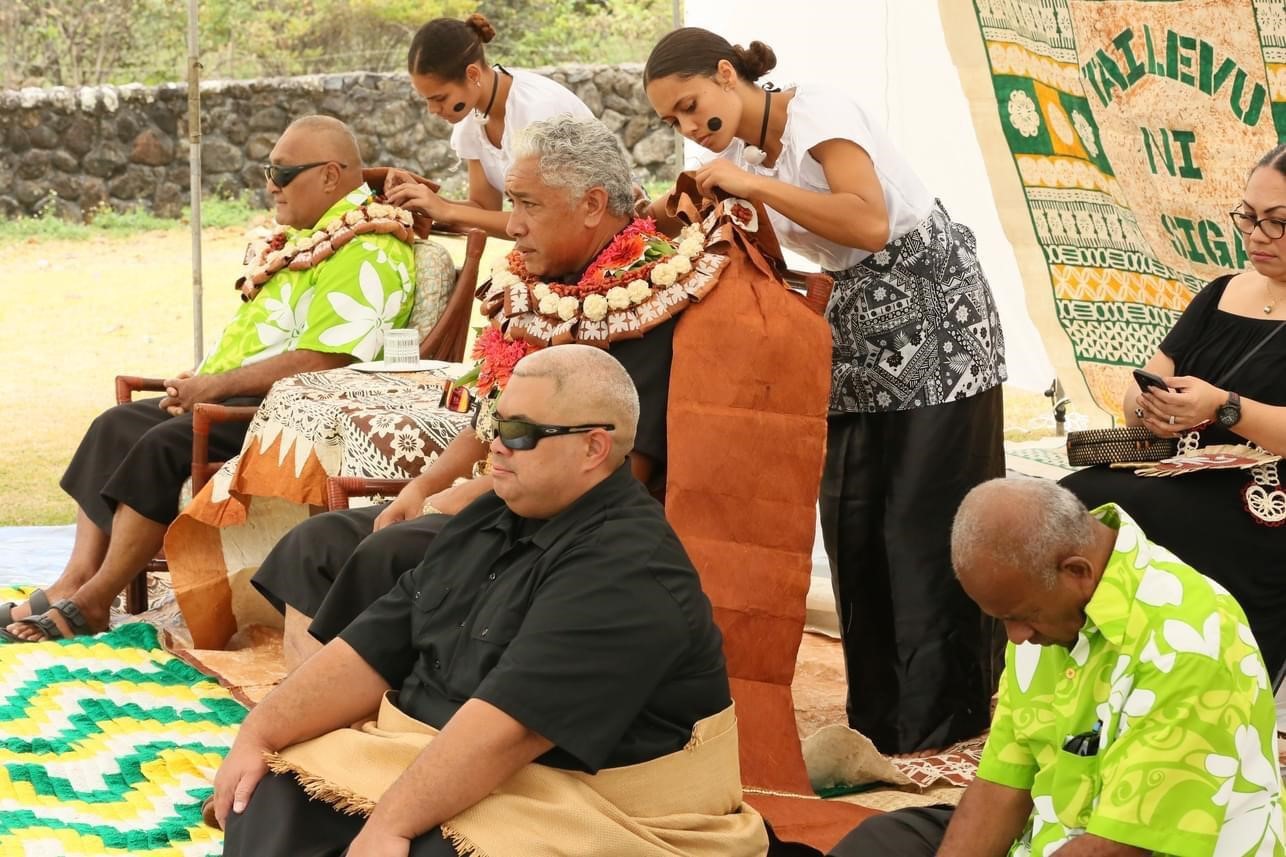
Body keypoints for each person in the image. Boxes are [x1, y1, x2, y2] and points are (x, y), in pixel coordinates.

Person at [214, 345, 768, 857]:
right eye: (495, 423)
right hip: (461, 757)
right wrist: (257, 733)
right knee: (270, 790)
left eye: (522, 431)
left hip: (589, 795)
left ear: (594, 448)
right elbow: (376, 642)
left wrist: (391, 824)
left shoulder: (629, 567)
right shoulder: (491, 515)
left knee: (427, 848)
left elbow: (511, 728)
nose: (498, 444)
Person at [642, 28, 1008, 755]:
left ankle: (946, 729)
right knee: (857, 527)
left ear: (725, 74)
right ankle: (881, 726)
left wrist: (749, 186)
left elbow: (867, 221)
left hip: (939, 317)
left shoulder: (818, 112)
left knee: (924, 528)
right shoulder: (741, 158)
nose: (688, 128)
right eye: (672, 122)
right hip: (854, 331)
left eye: (690, 107)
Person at [252, 116, 676, 669]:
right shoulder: (541, 281)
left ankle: (351, 715)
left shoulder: (645, 298)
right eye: (512, 204)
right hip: (501, 496)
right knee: (317, 543)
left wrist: (472, 500)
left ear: (593, 204)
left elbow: (618, 473)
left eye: (528, 206)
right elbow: (491, 418)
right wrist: (424, 486)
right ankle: (313, 720)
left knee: (385, 553)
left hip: (562, 526)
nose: (513, 226)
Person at [0, 115, 417, 644]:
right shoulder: (309, 238)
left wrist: (213, 388)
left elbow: (327, 362)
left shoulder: (370, 247)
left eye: (282, 171)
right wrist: (203, 380)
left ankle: (94, 600)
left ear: (332, 177)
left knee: (161, 443)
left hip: (296, 413)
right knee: (115, 426)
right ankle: (72, 581)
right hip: (240, 396)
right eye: (270, 169)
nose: (270, 183)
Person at [829, 477, 1285, 857]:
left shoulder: (1189, 644)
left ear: (1076, 571)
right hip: (1054, 833)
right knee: (877, 846)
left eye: (1020, 617)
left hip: (1149, 848)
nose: (1015, 637)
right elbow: (1002, 784)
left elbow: (1119, 846)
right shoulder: (1045, 608)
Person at [1062, 144, 1286, 685]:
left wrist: (1222, 407)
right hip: (1180, 468)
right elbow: (1142, 386)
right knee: (1063, 503)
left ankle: (1185, 690)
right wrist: (1152, 408)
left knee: (1141, 513)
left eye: (1278, 223)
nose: (1256, 235)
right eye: (1248, 217)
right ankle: (1078, 683)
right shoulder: (1220, 293)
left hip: (1264, 495)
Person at [382, 12, 593, 239]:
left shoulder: (538, 114)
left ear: (472, 74)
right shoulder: (472, 122)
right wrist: (421, 199)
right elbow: (483, 210)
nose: (432, 110)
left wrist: (446, 210)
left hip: (596, 241)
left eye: (440, 98)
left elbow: (547, 222)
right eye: (427, 99)